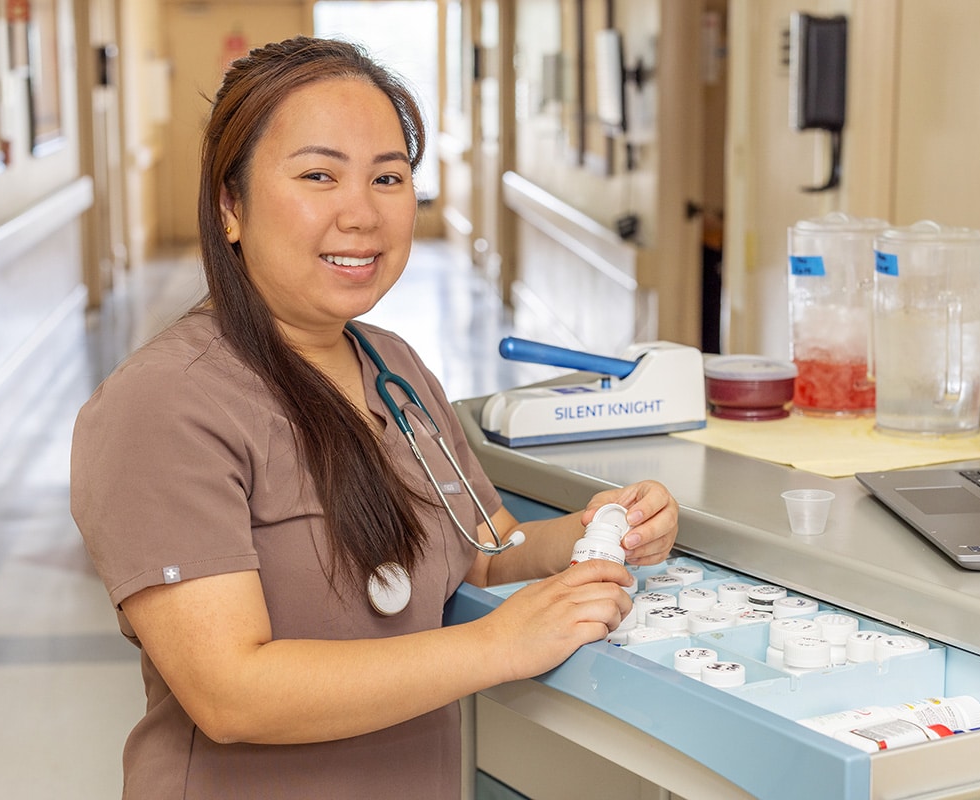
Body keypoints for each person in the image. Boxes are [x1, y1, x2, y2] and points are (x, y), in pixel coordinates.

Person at [70, 35, 679, 799]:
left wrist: (601, 528)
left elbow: (482, 553)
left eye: (388, 177)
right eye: (319, 175)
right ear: (231, 205)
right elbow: (230, 691)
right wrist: (497, 645)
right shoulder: (164, 406)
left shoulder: (392, 368)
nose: (360, 214)